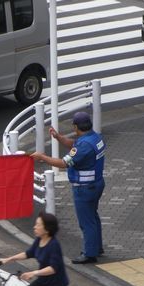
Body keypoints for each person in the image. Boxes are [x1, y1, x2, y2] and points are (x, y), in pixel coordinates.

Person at [31, 111, 106, 264]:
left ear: (76, 126)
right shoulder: (95, 137)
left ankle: (90, 253)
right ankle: (97, 247)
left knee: (86, 221)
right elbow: (74, 146)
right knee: (92, 217)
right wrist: (59, 138)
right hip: (96, 184)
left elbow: (64, 163)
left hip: (84, 188)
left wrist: (43, 157)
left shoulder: (84, 145)